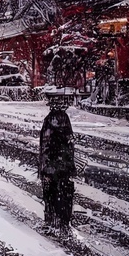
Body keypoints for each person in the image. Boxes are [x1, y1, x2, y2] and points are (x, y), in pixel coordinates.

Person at [39, 96, 76, 231]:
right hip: (64, 166)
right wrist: (70, 165)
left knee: (51, 196)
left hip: (52, 167)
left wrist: (44, 168)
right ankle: (63, 223)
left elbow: (46, 146)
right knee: (63, 195)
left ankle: (52, 223)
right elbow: (70, 145)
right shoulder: (65, 120)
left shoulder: (49, 121)